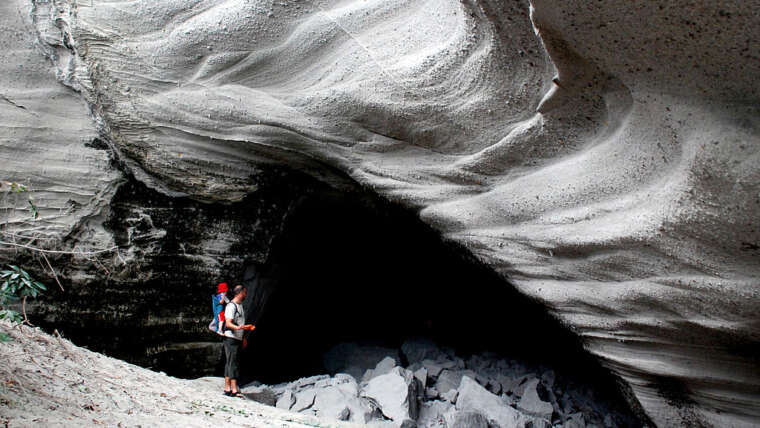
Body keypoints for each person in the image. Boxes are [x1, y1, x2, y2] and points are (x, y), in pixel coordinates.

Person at [223, 284, 254, 397]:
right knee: (233, 363)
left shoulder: (239, 305)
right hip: (230, 338)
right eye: (245, 293)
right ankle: (234, 389)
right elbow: (228, 323)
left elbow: (240, 322)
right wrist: (239, 328)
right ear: (240, 293)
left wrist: (243, 337)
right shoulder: (231, 306)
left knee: (230, 362)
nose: (246, 295)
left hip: (237, 338)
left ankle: (227, 388)